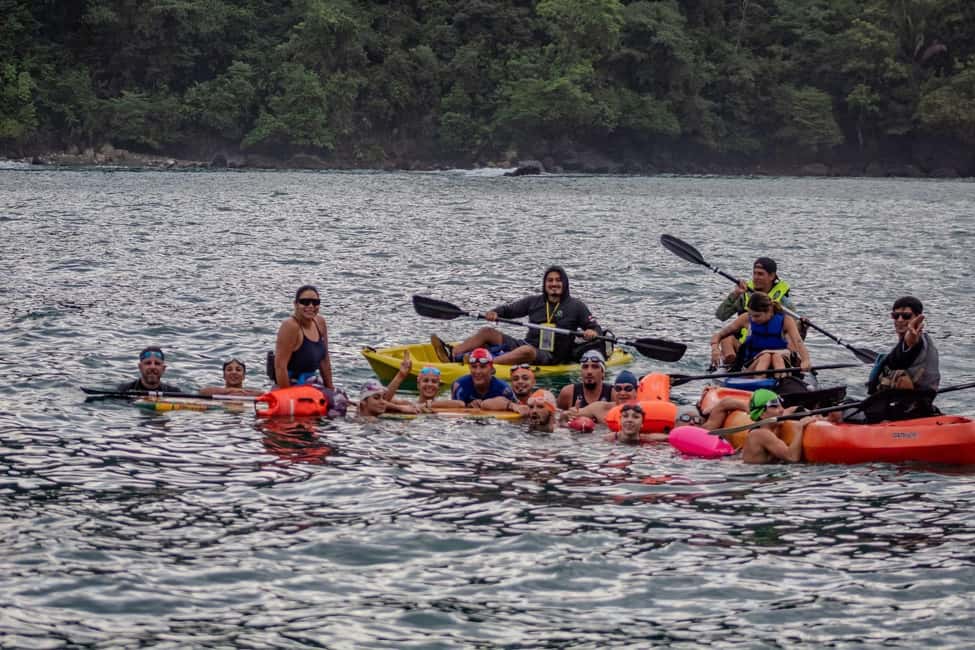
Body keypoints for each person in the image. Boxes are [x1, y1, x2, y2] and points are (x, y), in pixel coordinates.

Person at [431, 266, 602, 365]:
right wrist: (494, 313)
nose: (554, 284)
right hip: (526, 345)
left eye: (558, 280)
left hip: (551, 356)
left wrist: (591, 333)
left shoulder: (576, 306)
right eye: (550, 281)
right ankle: (452, 354)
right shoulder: (534, 301)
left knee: (526, 350)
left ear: (564, 284)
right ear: (545, 284)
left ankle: (484, 364)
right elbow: (508, 311)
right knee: (486, 332)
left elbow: (595, 328)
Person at [714, 257, 798, 366]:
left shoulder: (785, 304)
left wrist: (803, 329)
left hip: (774, 351)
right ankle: (731, 365)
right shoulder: (744, 296)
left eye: (760, 274)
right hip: (746, 346)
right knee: (727, 338)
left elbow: (795, 337)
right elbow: (721, 315)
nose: (756, 278)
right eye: (754, 274)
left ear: (772, 276)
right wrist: (735, 294)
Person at [709, 292, 810, 375]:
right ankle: (758, 387)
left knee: (775, 357)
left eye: (757, 316)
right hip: (754, 363)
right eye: (751, 315)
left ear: (769, 312)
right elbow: (719, 335)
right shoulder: (746, 318)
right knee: (765, 357)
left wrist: (805, 360)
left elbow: (798, 341)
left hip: (779, 361)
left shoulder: (785, 320)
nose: (753, 319)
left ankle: (783, 385)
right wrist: (715, 348)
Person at [868, 296, 940, 395]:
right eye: (895, 315)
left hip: (907, 402)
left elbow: (907, 349)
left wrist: (910, 340)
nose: (900, 320)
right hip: (916, 397)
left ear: (918, 318)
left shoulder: (916, 341)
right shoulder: (925, 340)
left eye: (906, 316)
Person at [273, 285, 333, 389]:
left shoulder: (320, 322)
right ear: (296, 304)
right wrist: (288, 398)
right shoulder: (290, 326)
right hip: (290, 386)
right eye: (305, 302)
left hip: (311, 385)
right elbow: (280, 367)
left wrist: (331, 389)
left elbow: (324, 360)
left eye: (315, 302)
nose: (310, 306)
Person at [739, 389, 820, 464]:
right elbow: (792, 458)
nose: (781, 410)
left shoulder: (766, 428)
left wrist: (812, 414)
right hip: (756, 477)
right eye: (774, 406)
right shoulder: (761, 434)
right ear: (762, 414)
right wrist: (799, 428)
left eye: (781, 405)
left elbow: (790, 410)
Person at [381, 351, 465, 411]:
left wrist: (427, 405)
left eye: (434, 382)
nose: (430, 384)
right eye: (425, 380)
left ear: (439, 386)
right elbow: (384, 400)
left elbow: (461, 404)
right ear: (418, 385)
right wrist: (400, 375)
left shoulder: (443, 403)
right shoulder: (408, 404)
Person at [561, 369, 638, 425]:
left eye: (628, 389)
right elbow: (569, 414)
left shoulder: (644, 410)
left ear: (636, 390)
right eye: (618, 389)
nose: (622, 393)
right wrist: (566, 415)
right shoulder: (600, 408)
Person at [450, 348, 518, 411]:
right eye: (474, 367)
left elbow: (517, 407)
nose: (478, 371)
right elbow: (454, 414)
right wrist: (468, 406)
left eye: (482, 367)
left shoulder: (504, 389)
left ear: (492, 369)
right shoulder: (459, 386)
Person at [117, 346, 183, 392]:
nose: (152, 367)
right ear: (140, 367)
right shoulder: (124, 390)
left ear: (163, 369)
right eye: (148, 363)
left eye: (157, 363)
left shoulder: (174, 392)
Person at [604, 403, 668, 444]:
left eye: (635, 417)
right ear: (620, 421)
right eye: (625, 416)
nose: (629, 420)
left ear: (642, 423)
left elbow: (669, 437)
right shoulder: (608, 439)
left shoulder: (647, 438)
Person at [357, 379, 421, 417]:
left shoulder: (359, 416)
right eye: (376, 398)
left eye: (383, 398)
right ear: (364, 402)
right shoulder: (370, 421)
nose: (383, 402)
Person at [199, 358, 263, 396]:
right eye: (229, 370)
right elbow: (202, 392)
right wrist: (230, 390)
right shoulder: (216, 391)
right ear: (224, 375)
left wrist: (241, 392)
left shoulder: (248, 392)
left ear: (244, 376)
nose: (234, 372)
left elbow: (264, 394)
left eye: (238, 370)